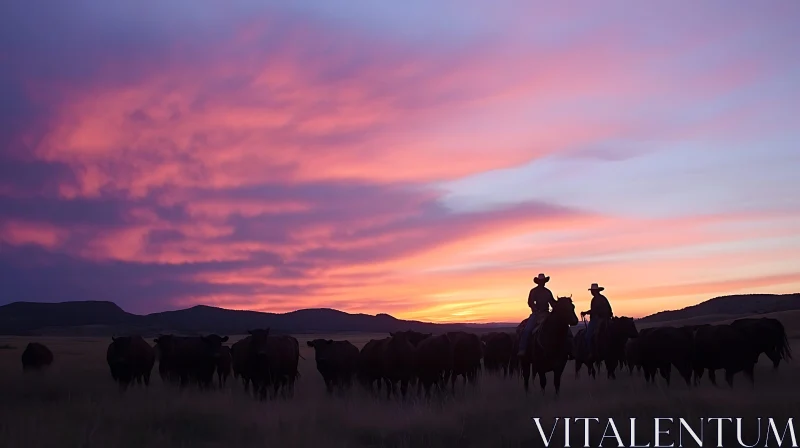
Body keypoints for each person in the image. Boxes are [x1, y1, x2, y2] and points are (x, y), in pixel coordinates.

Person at [517, 273, 557, 356]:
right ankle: (522, 349)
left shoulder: (548, 292)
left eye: (543, 281)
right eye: (541, 281)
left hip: (547, 313)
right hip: (536, 314)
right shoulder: (534, 291)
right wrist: (535, 309)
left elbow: (552, 302)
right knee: (527, 330)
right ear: (538, 282)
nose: (542, 283)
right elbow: (530, 302)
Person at [580, 283, 614, 355]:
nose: (592, 292)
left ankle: (589, 352)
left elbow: (594, 310)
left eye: (592, 291)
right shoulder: (603, 298)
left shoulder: (595, 299)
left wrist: (585, 312)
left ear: (595, 291)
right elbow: (609, 309)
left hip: (597, 319)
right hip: (607, 319)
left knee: (588, 335)